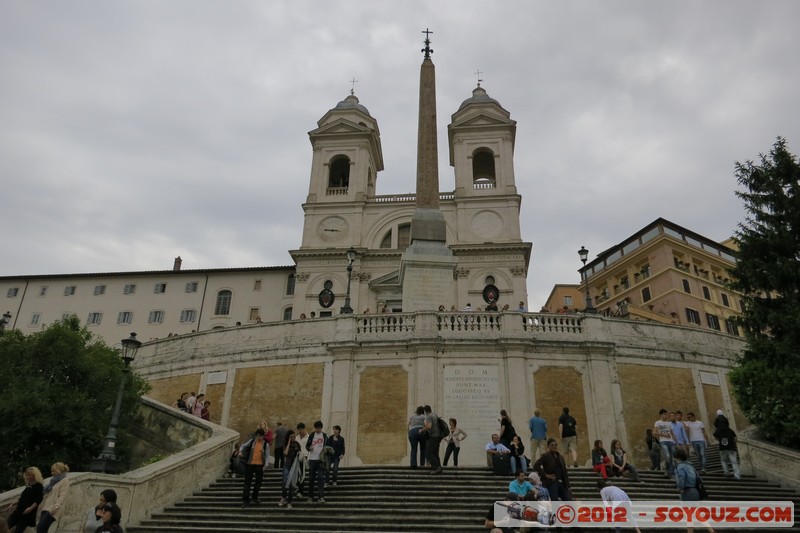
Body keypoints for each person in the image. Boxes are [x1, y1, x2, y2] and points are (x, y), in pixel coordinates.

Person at [674, 449, 715, 533]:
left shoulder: (680, 467)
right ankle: (711, 531)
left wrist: (680, 489)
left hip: (687, 491)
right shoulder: (691, 466)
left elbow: (681, 478)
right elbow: (698, 478)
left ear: (677, 458)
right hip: (695, 491)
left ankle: (711, 531)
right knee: (695, 514)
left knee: (689, 515)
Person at [5, 466, 43, 533]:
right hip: (18, 511)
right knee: (5, 526)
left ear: (35, 475)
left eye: (29, 475)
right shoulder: (29, 485)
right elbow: (22, 498)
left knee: (18, 531)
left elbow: (39, 500)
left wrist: (30, 508)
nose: (27, 477)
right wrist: (12, 504)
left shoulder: (38, 485)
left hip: (26, 514)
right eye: (26, 475)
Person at [36, 462, 69, 533]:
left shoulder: (65, 481)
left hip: (54, 508)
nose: (52, 473)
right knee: (42, 529)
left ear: (59, 471)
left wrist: (56, 506)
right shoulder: (53, 482)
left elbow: (63, 495)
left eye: (54, 471)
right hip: (46, 507)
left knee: (40, 528)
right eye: (52, 471)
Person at [240, 427, 268, 507]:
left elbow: (267, 455)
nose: (259, 438)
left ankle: (254, 497)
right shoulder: (252, 442)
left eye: (260, 436)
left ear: (263, 436)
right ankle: (245, 500)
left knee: (258, 483)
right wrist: (240, 452)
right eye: (257, 436)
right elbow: (243, 446)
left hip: (259, 466)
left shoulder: (265, 444)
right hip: (250, 464)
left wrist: (265, 465)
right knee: (247, 483)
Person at [279, 430, 302, 509]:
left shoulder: (297, 444)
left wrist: (299, 454)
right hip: (287, 466)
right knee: (285, 482)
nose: (293, 438)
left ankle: (289, 502)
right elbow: (285, 453)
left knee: (292, 484)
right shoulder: (286, 444)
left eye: (294, 436)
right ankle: (283, 497)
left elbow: (300, 454)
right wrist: (288, 443)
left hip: (294, 466)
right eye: (291, 437)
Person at [305, 420, 328, 502]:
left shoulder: (324, 436)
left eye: (318, 428)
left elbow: (327, 447)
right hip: (312, 459)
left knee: (321, 478)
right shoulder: (311, 435)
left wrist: (326, 451)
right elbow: (307, 446)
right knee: (311, 479)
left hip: (320, 460)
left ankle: (321, 496)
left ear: (321, 428)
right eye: (316, 428)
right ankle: (310, 497)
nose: (317, 429)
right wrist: (309, 448)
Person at [654, 408, 676, 478]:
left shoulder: (669, 423)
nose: (666, 416)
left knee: (672, 458)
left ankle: (670, 472)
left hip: (671, 442)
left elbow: (672, 433)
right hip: (663, 442)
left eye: (666, 414)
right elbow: (654, 433)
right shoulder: (658, 422)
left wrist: (677, 443)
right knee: (667, 456)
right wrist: (664, 435)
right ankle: (668, 470)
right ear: (661, 415)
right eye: (665, 414)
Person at [423, 405, 443, 474]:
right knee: (435, 453)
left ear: (425, 411)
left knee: (429, 452)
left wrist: (422, 430)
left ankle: (435, 468)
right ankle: (439, 467)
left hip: (433, 437)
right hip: (438, 436)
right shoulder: (434, 415)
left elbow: (429, 426)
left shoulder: (429, 416)